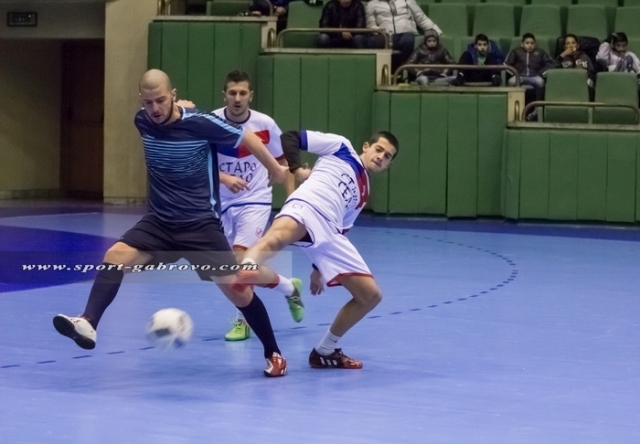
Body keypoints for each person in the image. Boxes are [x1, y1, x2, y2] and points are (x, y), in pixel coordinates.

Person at [52, 69, 289, 377]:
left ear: (172, 95)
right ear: (141, 101)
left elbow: (248, 138)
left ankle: (274, 353)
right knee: (115, 256)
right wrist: (176, 108)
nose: (155, 108)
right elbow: (163, 114)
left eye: (161, 100)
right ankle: (88, 322)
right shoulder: (142, 121)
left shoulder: (202, 123)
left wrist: (276, 169)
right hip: (160, 223)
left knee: (238, 289)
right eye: (148, 102)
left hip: (200, 225)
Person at [235, 129, 399, 369]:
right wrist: (297, 170)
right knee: (277, 237)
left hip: (331, 232)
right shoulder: (341, 146)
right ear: (366, 146)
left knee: (371, 296)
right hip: (308, 205)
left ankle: (325, 351)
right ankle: (246, 269)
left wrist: (317, 268)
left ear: (388, 165)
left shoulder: (364, 193)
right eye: (379, 149)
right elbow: (291, 137)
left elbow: (343, 227)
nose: (380, 157)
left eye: (387, 156)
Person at [212, 70, 304, 341]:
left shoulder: (265, 124)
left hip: (255, 200)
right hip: (221, 203)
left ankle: (243, 321)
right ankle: (289, 287)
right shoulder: (212, 122)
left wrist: (291, 201)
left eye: (243, 93)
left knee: (243, 263)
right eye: (232, 93)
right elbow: (197, 161)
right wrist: (224, 178)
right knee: (227, 269)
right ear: (224, 95)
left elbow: (283, 163)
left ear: (250, 96)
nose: (237, 98)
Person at [365, 0, 442, 72]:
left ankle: (403, 72)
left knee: (408, 40)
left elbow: (421, 19)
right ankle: (381, 74)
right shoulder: (372, 4)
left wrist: (437, 32)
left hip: (406, 33)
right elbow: (370, 25)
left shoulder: (407, 1)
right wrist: (378, 29)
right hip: (386, 36)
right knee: (373, 41)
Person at [505, 33, 555, 100]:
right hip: (519, 76)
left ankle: (539, 104)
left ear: (535, 44)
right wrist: (515, 73)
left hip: (535, 76)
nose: (530, 45)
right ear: (522, 44)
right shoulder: (515, 51)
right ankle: (514, 103)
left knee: (540, 82)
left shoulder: (541, 52)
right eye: (527, 43)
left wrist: (541, 74)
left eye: (532, 43)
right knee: (511, 82)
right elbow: (507, 64)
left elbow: (550, 64)